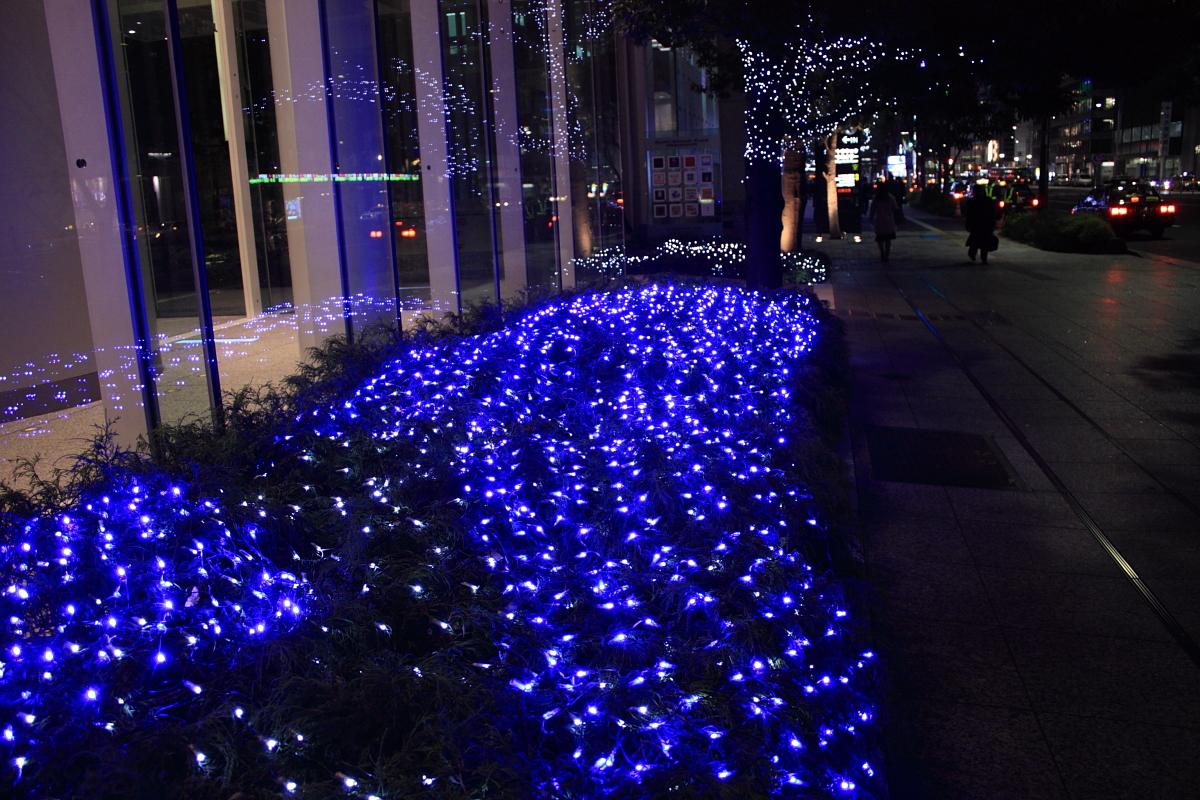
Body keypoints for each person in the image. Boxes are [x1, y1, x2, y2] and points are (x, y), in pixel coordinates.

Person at [964, 186, 998, 263]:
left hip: (976, 224)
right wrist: (993, 223)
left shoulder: (972, 201)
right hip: (986, 224)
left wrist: (968, 224)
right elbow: (992, 212)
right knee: (985, 242)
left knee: (975, 240)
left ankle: (972, 254)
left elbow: (969, 214)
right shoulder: (988, 200)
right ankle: (983, 258)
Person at [870, 183, 898, 262]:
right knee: (888, 239)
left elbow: (872, 209)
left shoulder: (876, 198)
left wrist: (871, 218)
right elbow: (895, 208)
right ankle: (887, 255)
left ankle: (882, 253)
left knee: (880, 238)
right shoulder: (890, 197)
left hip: (879, 220)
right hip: (889, 220)